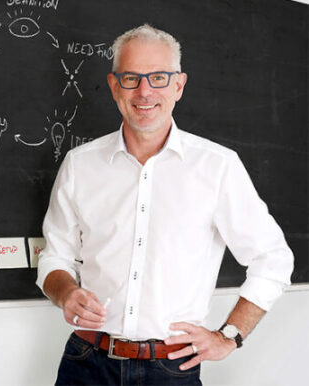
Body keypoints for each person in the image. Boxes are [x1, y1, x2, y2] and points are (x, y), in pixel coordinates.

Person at [36, 24, 294, 385]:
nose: (145, 91)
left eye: (158, 77)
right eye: (131, 78)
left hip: (171, 370)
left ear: (178, 85)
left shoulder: (217, 167)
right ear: (114, 85)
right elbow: (55, 257)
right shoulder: (80, 165)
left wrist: (229, 336)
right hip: (86, 362)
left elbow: (274, 259)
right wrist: (65, 292)